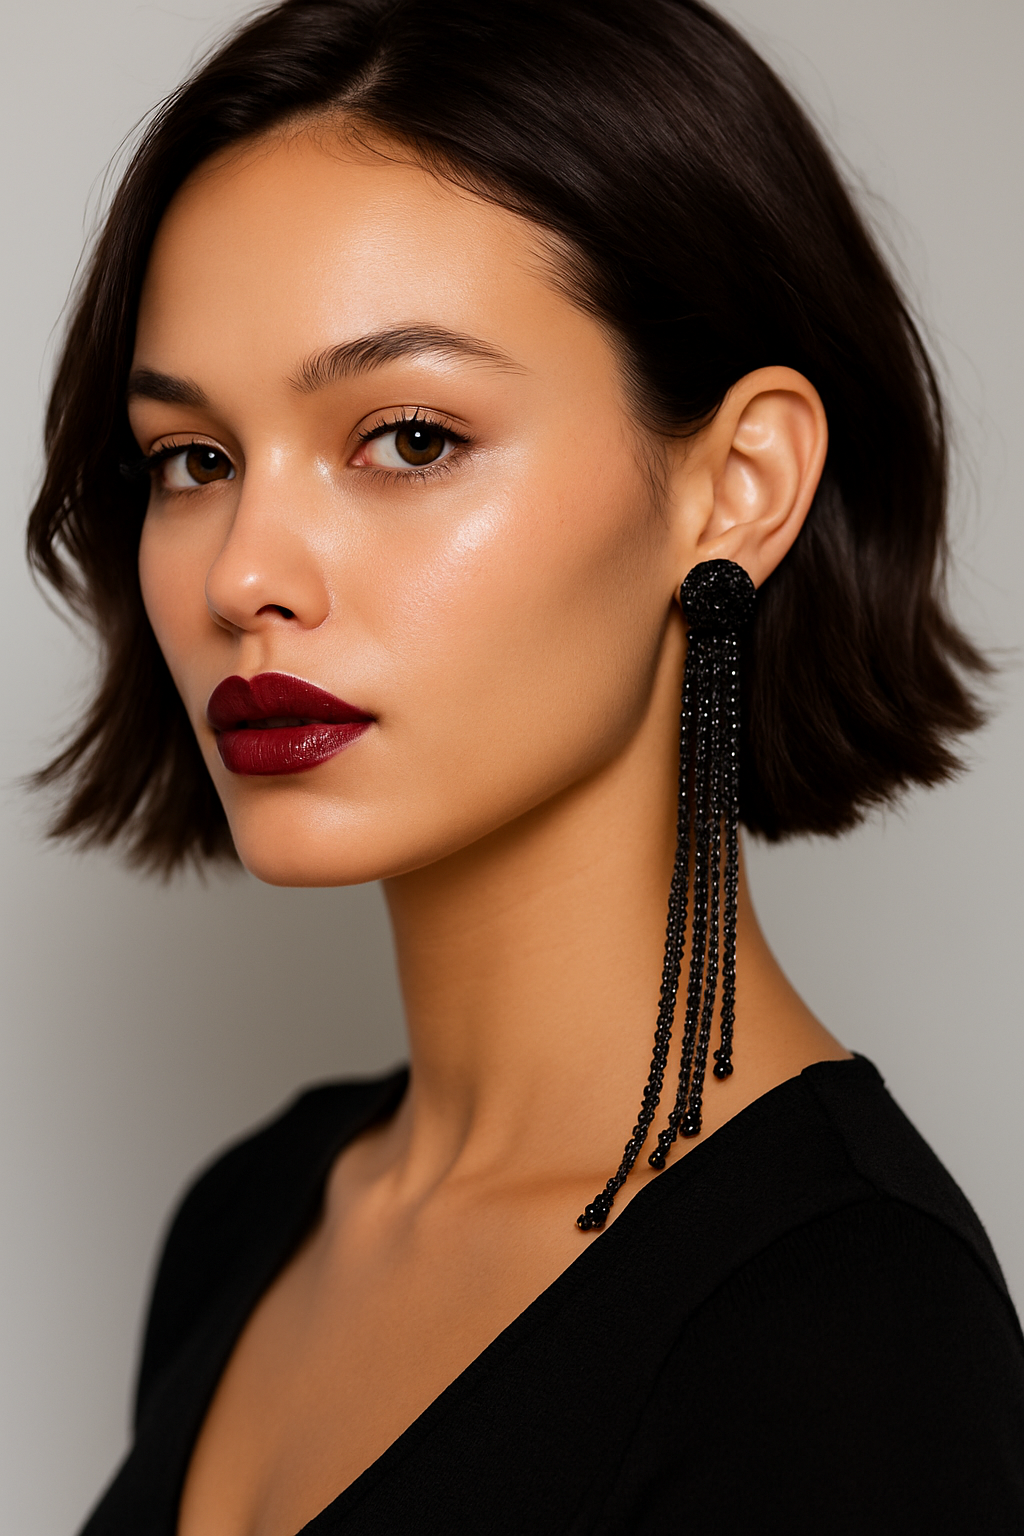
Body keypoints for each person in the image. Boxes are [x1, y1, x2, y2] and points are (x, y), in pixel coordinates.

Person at [27, 0, 1024, 1531]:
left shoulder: (847, 1333)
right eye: (195, 459)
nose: (242, 573)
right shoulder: (257, 1212)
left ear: (738, 484)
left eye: (409, 438)